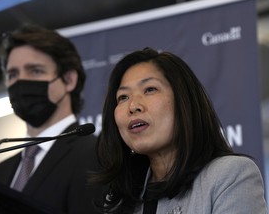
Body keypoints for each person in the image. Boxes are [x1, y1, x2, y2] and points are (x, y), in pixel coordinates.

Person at [92, 47, 267, 213]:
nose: (133, 106)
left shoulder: (230, 175)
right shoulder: (120, 200)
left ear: (184, 102)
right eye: (123, 97)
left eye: (150, 89)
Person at [0, 24, 99, 214]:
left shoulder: (96, 154)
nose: (20, 82)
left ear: (69, 80)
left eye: (35, 71)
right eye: (12, 74)